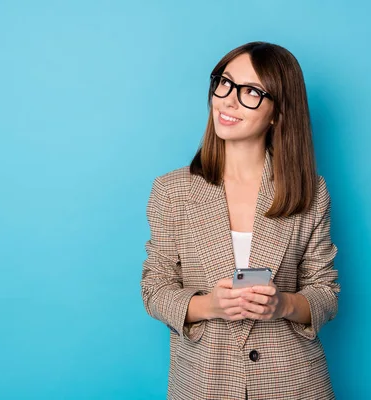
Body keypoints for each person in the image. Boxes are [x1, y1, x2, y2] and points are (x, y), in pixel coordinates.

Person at [140, 41, 340, 400]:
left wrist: (283, 305)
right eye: (225, 83)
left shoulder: (309, 192)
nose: (229, 100)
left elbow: (325, 292)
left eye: (251, 92)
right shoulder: (172, 191)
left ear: (278, 112)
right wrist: (208, 306)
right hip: (205, 383)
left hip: (292, 383)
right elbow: (155, 289)